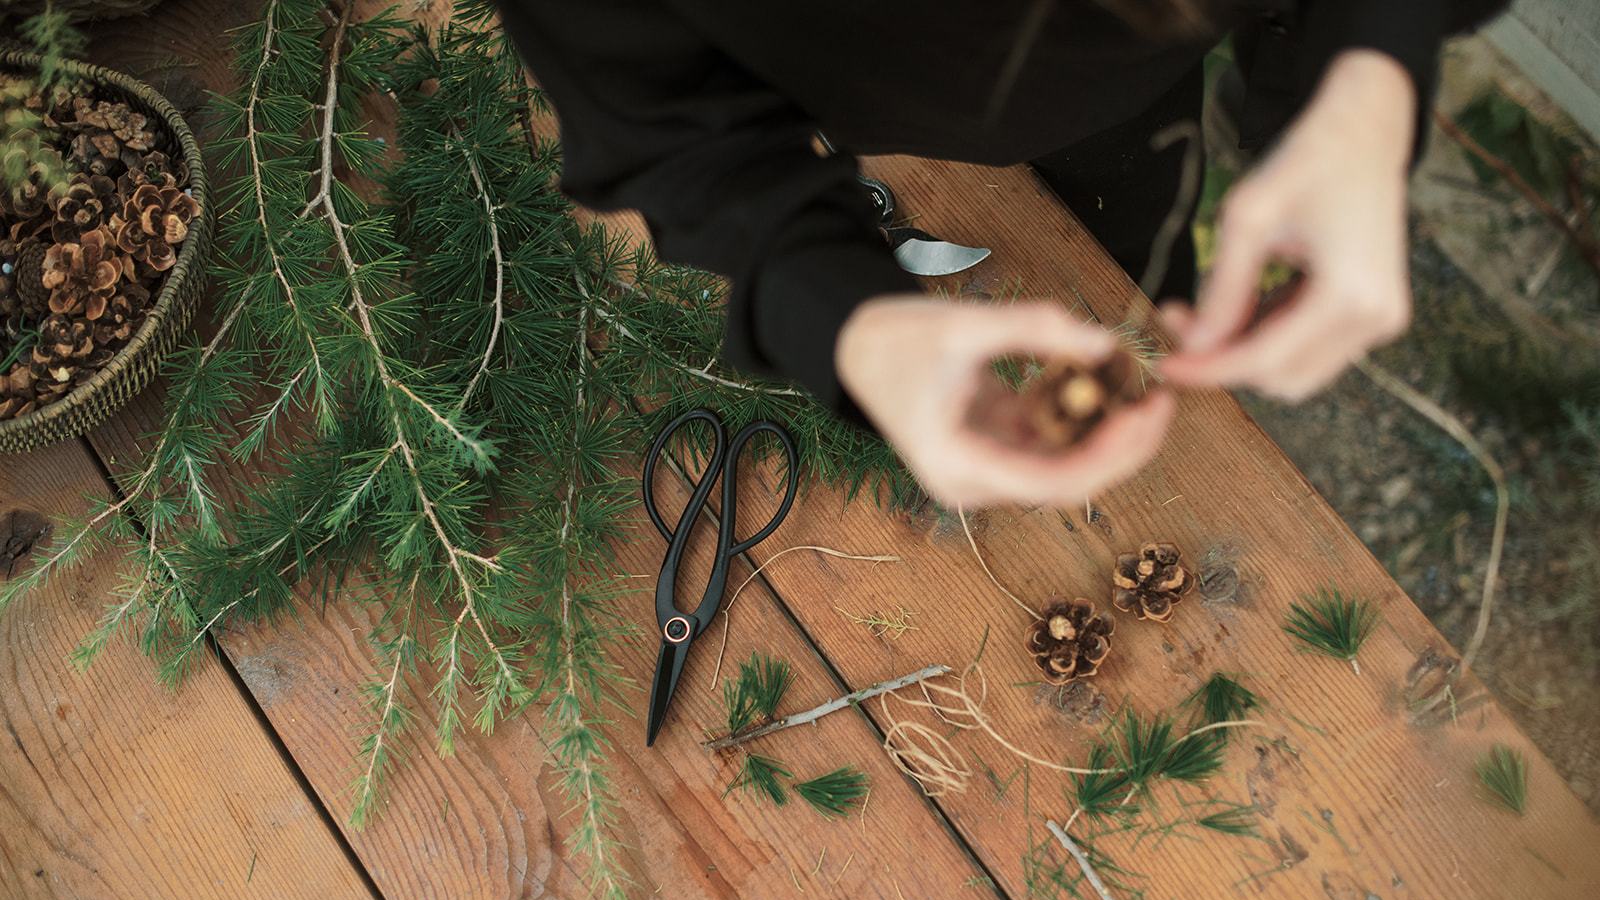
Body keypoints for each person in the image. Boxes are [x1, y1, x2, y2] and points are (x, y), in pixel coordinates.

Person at [493, 0, 1506, 506]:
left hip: (1129, 116)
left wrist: (1368, 76)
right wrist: (844, 317)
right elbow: (667, 131)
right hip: (872, 102)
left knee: (1137, 251)